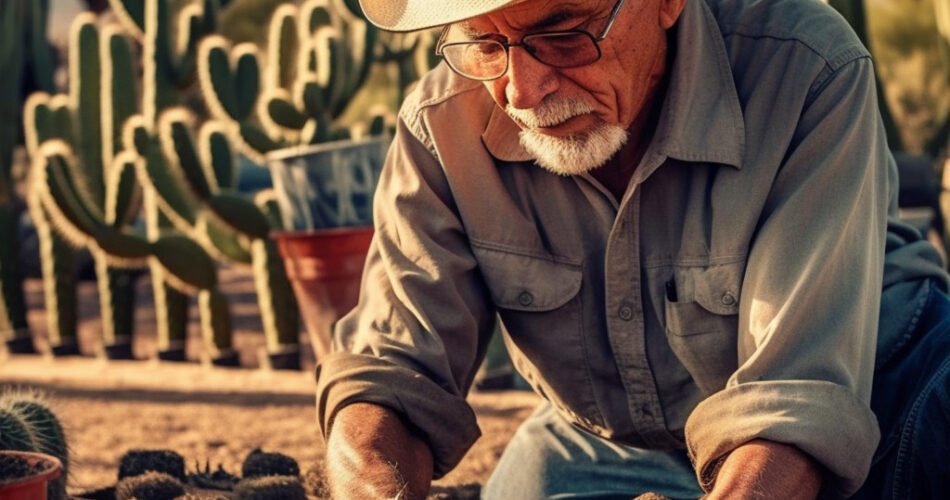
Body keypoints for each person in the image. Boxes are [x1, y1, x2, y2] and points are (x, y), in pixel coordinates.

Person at [314, 0, 950, 498]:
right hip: (612, 446)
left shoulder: (807, 67)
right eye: (485, 44)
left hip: (882, 403)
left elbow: (795, 403)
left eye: (563, 35)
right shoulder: (441, 125)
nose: (521, 92)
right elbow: (386, 377)